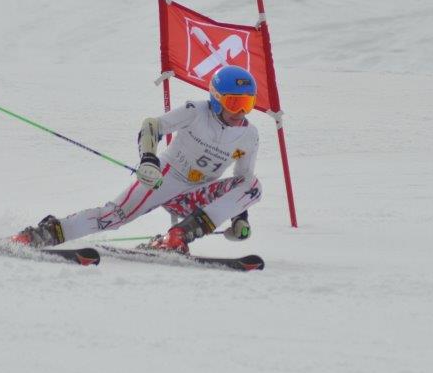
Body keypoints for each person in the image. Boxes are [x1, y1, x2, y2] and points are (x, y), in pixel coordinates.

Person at [14, 65, 263, 254]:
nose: (241, 112)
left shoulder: (249, 136)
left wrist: (239, 217)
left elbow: (241, 182)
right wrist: (148, 160)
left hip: (195, 198)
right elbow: (152, 125)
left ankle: (177, 237)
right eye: (235, 103)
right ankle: (42, 234)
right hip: (164, 179)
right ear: (216, 99)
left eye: (248, 103)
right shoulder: (196, 112)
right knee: (113, 217)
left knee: (253, 186)